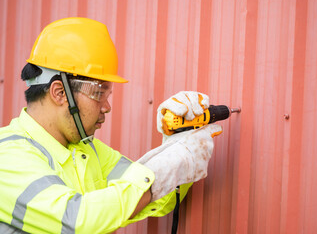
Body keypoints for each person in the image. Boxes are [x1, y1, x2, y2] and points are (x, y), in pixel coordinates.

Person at [0, 17, 222, 233]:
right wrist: (172, 162)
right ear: (59, 93)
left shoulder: (88, 151)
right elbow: (76, 221)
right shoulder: (7, 155)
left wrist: (176, 144)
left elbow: (153, 198)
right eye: (98, 93)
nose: (107, 106)